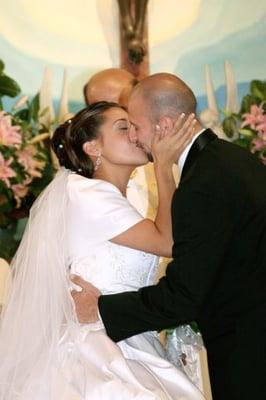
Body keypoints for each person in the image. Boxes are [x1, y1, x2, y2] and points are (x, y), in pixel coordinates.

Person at [71, 73, 266, 400]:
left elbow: (184, 295)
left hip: (249, 345)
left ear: (162, 125)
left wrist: (100, 310)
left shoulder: (202, 183)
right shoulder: (232, 160)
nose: (134, 136)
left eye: (134, 125)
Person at [0, 101, 204, 399]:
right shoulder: (87, 192)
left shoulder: (115, 199)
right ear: (93, 148)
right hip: (94, 344)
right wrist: (163, 166)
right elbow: (167, 243)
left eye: (135, 127)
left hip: (127, 331)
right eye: (124, 128)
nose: (135, 135)